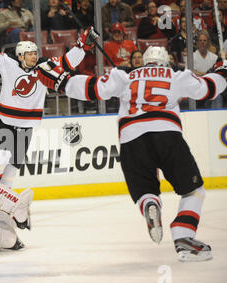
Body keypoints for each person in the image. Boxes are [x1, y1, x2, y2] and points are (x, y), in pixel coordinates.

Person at [36, 46, 227, 262]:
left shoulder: (124, 77)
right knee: (194, 191)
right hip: (166, 134)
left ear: (144, 61)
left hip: (131, 138)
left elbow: (91, 89)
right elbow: (208, 89)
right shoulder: (176, 76)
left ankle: (149, 204)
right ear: (165, 61)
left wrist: (59, 79)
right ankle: (183, 236)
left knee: (145, 190)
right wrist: (221, 71)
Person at [0, 18, 95, 214]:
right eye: (30, 54)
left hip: (27, 125)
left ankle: (0, 205)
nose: (34, 56)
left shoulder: (44, 67)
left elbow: (67, 62)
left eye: (35, 53)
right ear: (20, 55)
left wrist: (82, 46)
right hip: (6, 121)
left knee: (13, 167)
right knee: (0, 158)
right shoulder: (8, 64)